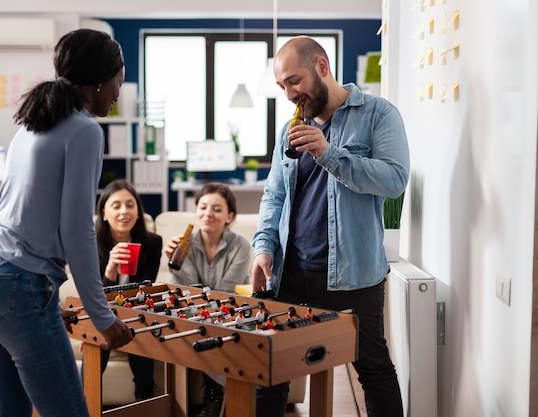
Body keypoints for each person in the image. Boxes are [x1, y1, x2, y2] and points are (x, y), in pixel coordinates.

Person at [0, 29, 133, 417]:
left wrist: (46, 300)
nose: (118, 94)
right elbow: (77, 230)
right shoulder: (84, 130)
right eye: (118, 83)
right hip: (14, 284)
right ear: (99, 81)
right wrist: (102, 317)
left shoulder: (33, 122)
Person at [251, 36, 409, 417]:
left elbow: (395, 180)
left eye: (294, 81)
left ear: (322, 66)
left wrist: (328, 153)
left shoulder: (378, 114)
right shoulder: (287, 130)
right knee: (269, 374)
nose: (289, 94)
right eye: (282, 86)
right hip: (291, 273)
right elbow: (275, 196)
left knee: (374, 372)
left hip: (354, 277)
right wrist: (263, 247)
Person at [164, 182, 250, 417]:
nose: (208, 214)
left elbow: (224, 293)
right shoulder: (185, 242)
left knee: (215, 326)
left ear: (229, 216)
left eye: (217, 209)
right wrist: (178, 263)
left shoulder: (241, 245)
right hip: (196, 311)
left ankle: (215, 394)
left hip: (229, 311)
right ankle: (208, 395)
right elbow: (190, 290)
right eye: (202, 207)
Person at [95, 178, 163, 401]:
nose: (124, 211)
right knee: (98, 343)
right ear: (104, 212)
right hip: (101, 314)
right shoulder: (90, 244)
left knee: (140, 338)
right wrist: (110, 272)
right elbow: (95, 298)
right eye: (116, 206)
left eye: (130, 205)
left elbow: (143, 291)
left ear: (138, 210)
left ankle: (144, 404)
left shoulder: (153, 243)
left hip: (135, 315)